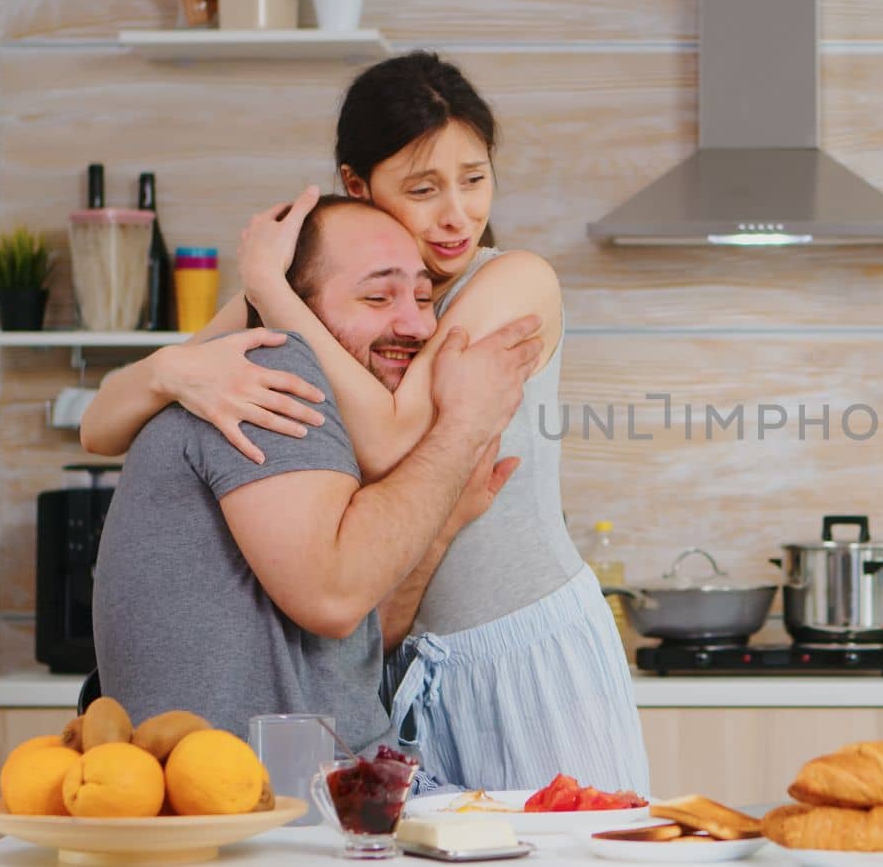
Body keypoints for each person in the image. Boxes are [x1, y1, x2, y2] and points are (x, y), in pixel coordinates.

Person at [81, 51, 650, 795]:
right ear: (360, 186)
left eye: (474, 179)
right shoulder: (339, 280)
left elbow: (391, 442)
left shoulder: (509, 281)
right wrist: (169, 371)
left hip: (517, 644)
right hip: (401, 663)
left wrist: (269, 293)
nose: (455, 214)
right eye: (422, 187)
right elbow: (100, 427)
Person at [92, 198, 541, 751]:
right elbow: (331, 599)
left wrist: (443, 523)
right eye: (377, 296)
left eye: (425, 298)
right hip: (259, 802)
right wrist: (464, 427)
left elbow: (349, 640)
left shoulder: (332, 411)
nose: (418, 324)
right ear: (291, 308)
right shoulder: (267, 375)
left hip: (335, 793)